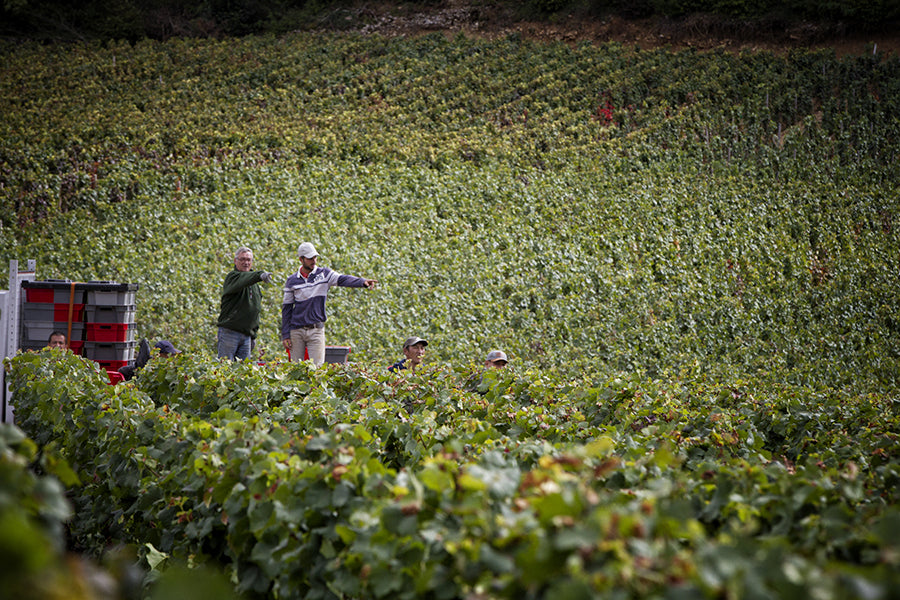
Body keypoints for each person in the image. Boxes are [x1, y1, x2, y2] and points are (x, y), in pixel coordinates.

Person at [281, 242, 376, 367]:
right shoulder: (292, 280)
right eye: (310, 258)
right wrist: (286, 334)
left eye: (314, 257)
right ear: (301, 259)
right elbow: (287, 309)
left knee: (318, 369)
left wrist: (362, 282)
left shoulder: (324, 274)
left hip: (316, 330)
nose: (313, 261)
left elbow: (343, 279)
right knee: (295, 368)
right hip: (296, 331)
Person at [217, 246, 272, 360]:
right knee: (225, 369)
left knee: (242, 373)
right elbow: (244, 279)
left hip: (247, 336)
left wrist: (253, 334)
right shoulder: (233, 277)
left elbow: (256, 310)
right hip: (230, 332)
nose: (246, 262)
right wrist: (260, 275)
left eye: (248, 260)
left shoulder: (254, 285)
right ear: (235, 261)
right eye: (242, 259)